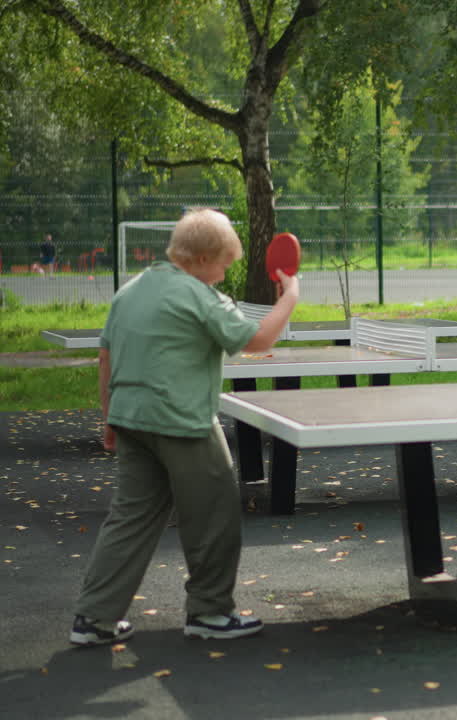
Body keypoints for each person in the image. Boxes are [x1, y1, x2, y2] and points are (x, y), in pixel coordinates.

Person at [70, 208, 299, 646]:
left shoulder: (130, 292)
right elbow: (258, 341)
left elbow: (105, 358)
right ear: (201, 259)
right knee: (214, 513)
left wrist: (109, 419)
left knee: (130, 518)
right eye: (223, 264)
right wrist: (290, 296)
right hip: (183, 422)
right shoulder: (199, 296)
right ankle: (210, 613)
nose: (224, 273)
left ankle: (93, 619)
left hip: (131, 419)